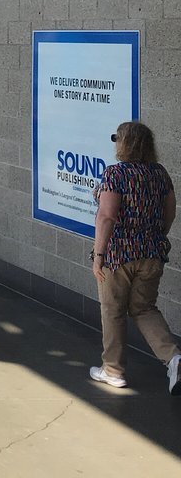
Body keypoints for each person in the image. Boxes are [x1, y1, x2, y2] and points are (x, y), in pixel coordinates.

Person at [90, 120, 181, 393]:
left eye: (117, 139)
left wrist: (99, 255)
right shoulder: (160, 174)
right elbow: (170, 213)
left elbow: (107, 216)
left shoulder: (115, 174)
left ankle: (113, 370)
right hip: (151, 254)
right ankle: (174, 358)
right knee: (144, 309)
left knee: (113, 309)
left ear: (125, 143)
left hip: (118, 255)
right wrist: (153, 236)